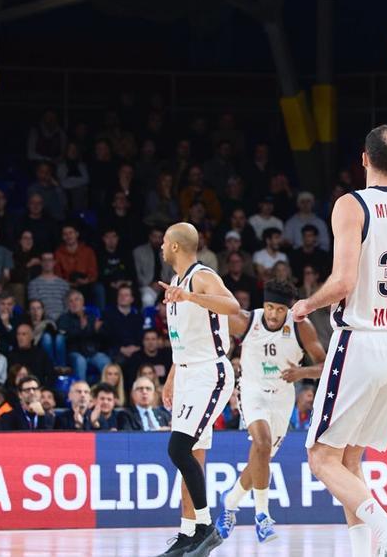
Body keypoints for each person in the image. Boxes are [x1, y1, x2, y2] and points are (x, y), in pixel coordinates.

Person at [287, 21, 387, 557]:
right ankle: (361, 549)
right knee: (349, 458)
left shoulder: (353, 203)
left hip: (363, 339)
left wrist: (305, 304)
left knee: (319, 457)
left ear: (364, 159)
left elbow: (344, 282)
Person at [216, 279, 326, 543]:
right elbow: (212, 316)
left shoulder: (302, 327)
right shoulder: (246, 321)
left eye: (278, 309)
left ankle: (230, 503)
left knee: (261, 457)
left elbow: (325, 364)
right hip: (252, 391)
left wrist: (302, 372)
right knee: (262, 444)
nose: (273, 314)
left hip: (283, 397)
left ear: (288, 309)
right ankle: (262, 516)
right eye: (268, 307)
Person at [155, 222, 241, 557]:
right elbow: (184, 339)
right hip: (188, 372)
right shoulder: (175, 282)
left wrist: (190, 296)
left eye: (164, 242)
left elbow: (233, 306)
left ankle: (206, 528)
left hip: (211, 372)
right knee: (192, 455)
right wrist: (172, 376)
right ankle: (188, 532)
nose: (161, 246)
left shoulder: (200, 276)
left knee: (178, 449)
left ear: (176, 246)